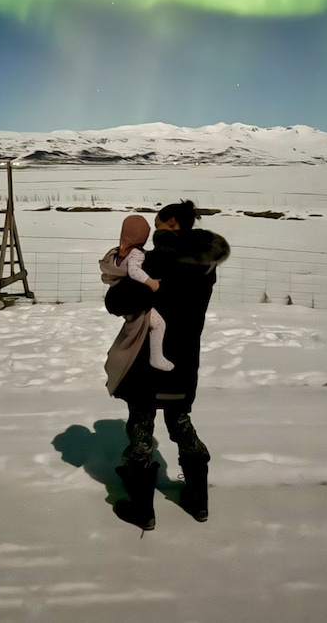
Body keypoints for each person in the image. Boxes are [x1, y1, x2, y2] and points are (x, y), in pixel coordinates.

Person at [104, 199, 230, 530]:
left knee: (142, 425)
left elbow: (118, 302)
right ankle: (198, 500)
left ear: (171, 223)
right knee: (180, 422)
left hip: (147, 360)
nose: (154, 226)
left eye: (158, 222)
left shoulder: (158, 261)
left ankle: (142, 508)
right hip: (184, 359)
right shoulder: (206, 263)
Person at [102, 214, 174, 371]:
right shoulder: (136, 253)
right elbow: (134, 271)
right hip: (131, 298)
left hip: (121, 298)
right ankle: (156, 358)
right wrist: (151, 283)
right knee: (159, 324)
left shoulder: (117, 252)